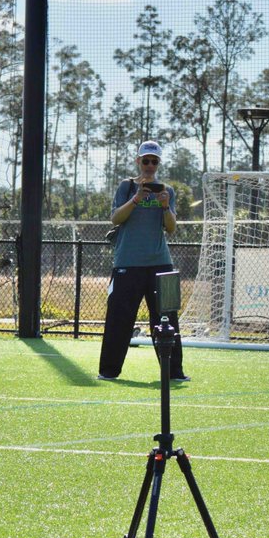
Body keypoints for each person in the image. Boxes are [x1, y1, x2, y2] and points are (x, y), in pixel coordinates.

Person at [98, 141, 188, 381]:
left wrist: (166, 206)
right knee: (119, 319)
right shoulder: (126, 187)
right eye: (145, 160)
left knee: (167, 319)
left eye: (154, 161)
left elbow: (171, 229)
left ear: (159, 164)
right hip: (127, 262)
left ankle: (174, 373)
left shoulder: (167, 190)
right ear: (138, 161)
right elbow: (115, 218)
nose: (150, 165)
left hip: (160, 263)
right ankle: (108, 371)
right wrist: (136, 198)